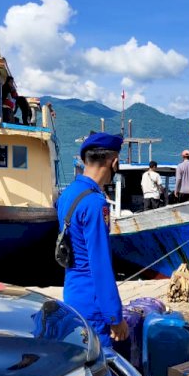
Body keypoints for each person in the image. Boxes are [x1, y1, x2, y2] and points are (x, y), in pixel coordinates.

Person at [58, 132, 128, 348]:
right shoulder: (96, 204)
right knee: (101, 368)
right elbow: (100, 264)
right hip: (94, 302)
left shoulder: (67, 194)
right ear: (113, 161)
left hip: (72, 293)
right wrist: (114, 317)